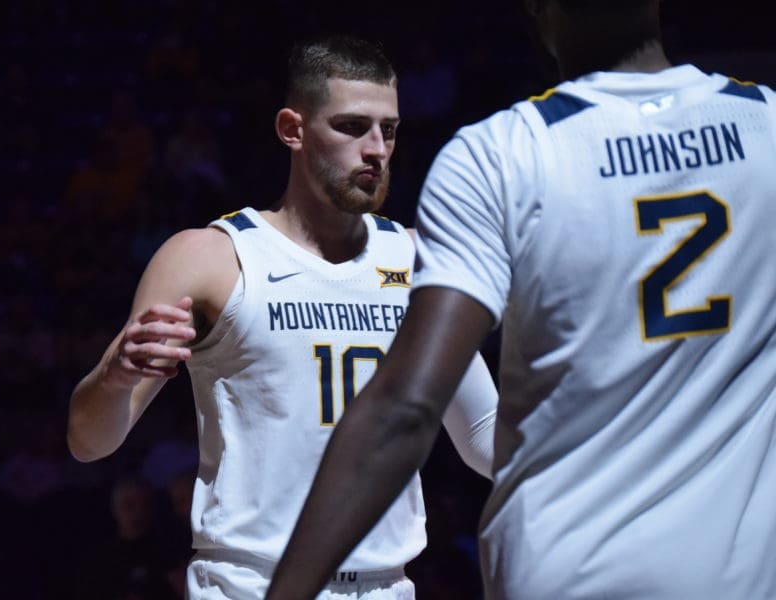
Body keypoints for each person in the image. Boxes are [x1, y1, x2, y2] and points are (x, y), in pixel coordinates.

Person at [266, 2, 776, 599]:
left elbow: (406, 409)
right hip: (741, 570)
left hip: (566, 566)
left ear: (538, 9)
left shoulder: (500, 154)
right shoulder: (765, 126)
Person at [67, 34, 498, 599]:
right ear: (292, 129)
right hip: (249, 584)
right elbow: (88, 442)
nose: (375, 149)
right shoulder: (209, 258)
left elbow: (483, 435)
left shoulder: (421, 260)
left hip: (385, 586)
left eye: (388, 129)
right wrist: (115, 376)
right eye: (351, 127)